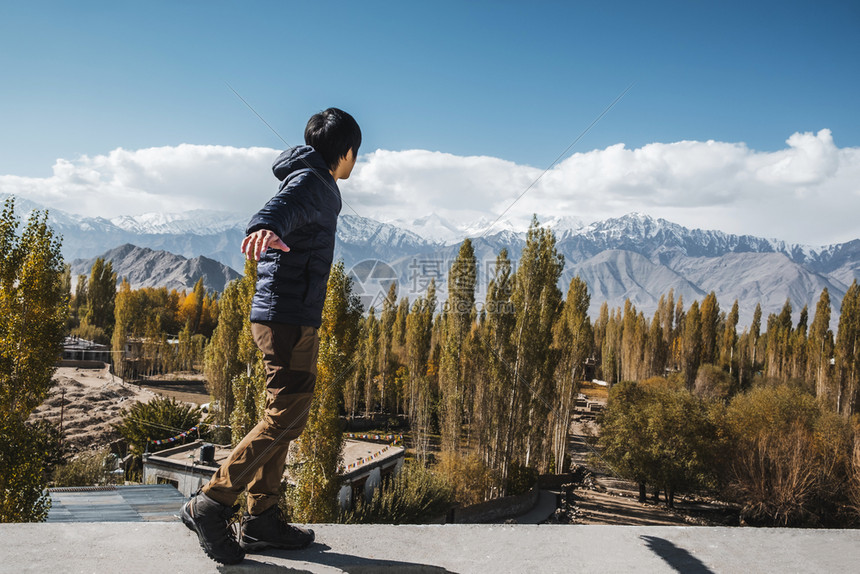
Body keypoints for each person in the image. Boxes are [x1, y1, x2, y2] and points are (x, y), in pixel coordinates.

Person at [181, 108, 361, 565]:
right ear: (346, 152)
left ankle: (261, 520)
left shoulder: (309, 179)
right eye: (356, 153)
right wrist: (265, 227)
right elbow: (277, 210)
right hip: (288, 320)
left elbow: (285, 208)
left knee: (284, 415)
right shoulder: (315, 183)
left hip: (287, 315)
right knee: (286, 417)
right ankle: (213, 502)